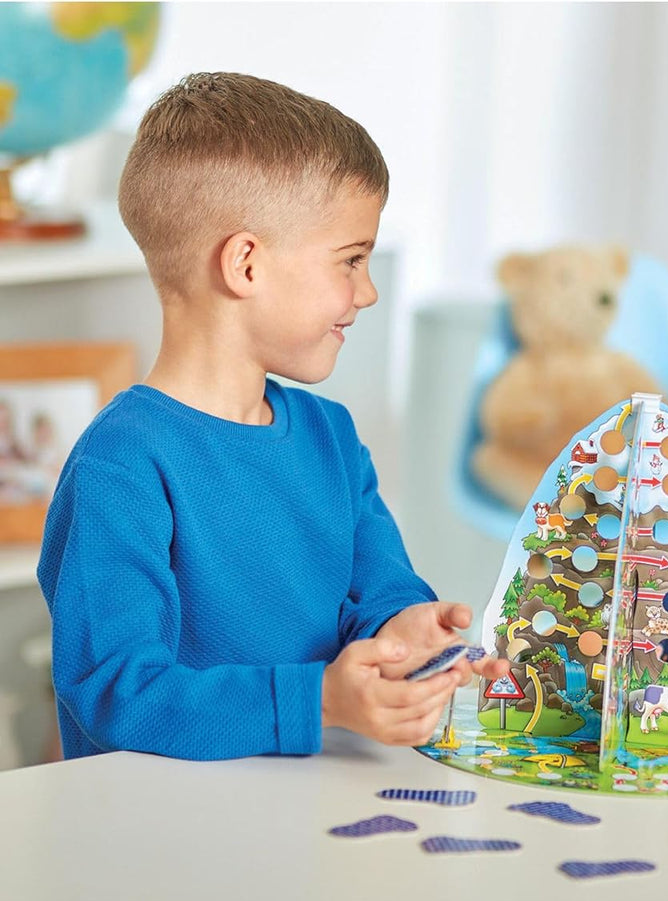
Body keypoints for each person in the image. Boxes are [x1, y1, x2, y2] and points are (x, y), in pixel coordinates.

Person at [37, 72, 507, 762]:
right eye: (351, 260)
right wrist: (320, 700)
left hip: (309, 814)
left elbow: (377, 596)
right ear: (246, 265)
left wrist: (414, 638)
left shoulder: (333, 439)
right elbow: (116, 692)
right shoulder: (121, 466)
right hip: (158, 836)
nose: (368, 291)